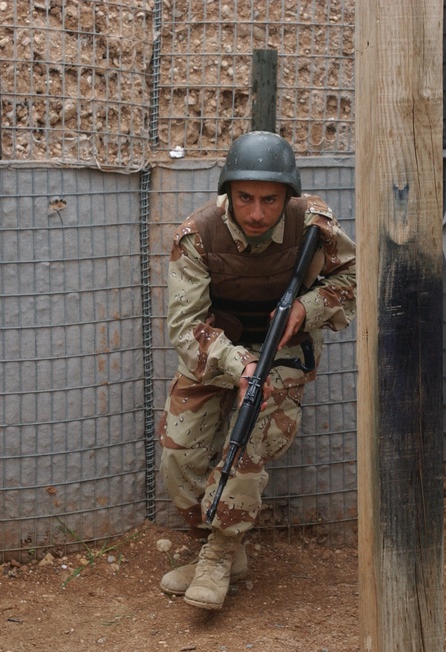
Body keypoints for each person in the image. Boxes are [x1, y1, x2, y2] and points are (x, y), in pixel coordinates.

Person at [157, 131, 357, 610]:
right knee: (178, 456)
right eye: (245, 198)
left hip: (283, 354)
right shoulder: (198, 235)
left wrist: (306, 307)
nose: (256, 213)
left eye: (270, 200)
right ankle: (222, 544)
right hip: (214, 350)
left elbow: (352, 277)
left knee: (245, 444)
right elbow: (184, 327)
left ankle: (219, 556)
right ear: (228, 192)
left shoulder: (313, 223)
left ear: (287, 195)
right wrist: (238, 362)